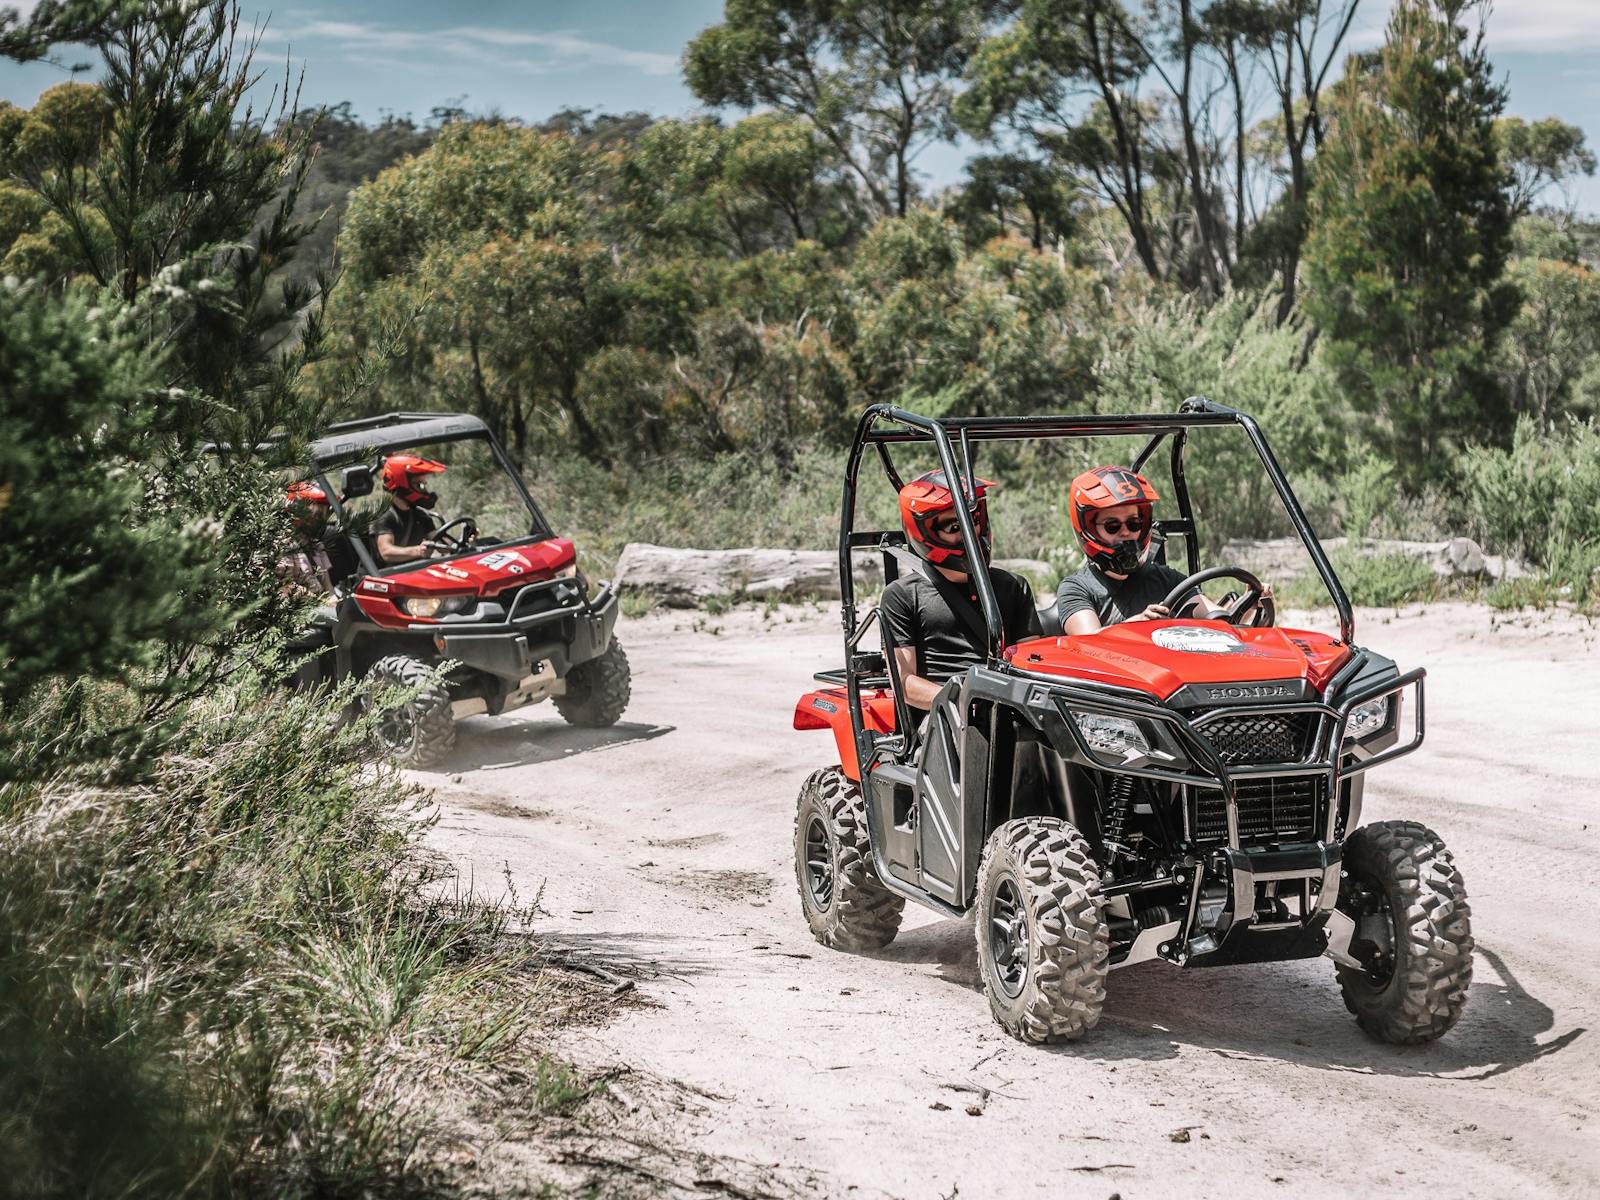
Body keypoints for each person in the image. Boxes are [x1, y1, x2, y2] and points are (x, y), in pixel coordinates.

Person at [880, 471, 1041, 713]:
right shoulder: (901, 596)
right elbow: (904, 684)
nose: (970, 534)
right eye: (955, 526)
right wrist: (966, 703)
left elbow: (1034, 664)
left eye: (974, 520)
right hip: (944, 720)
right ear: (925, 532)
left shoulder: (1013, 586)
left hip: (1009, 710)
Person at [1056, 465, 1264, 635]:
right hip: (1115, 684)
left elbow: (1220, 624)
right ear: (1090, 531)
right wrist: (1136, 625)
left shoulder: (1168, 580)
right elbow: (1086, 643)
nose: (1126, 532)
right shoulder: (1076, 588)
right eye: (1113, 526)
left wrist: (1251, 605)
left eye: (1134, 524)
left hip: (1171, 683)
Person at [374, 453, 447, 563]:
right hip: (383, 576)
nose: (424, 491)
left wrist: (463, 541)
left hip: (411, 574)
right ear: (401, 483)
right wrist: (418, 551)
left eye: (423, 485)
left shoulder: (420, 515)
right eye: (419, 485)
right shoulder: (384, 515)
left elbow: (440, 543)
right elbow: (386, 552)